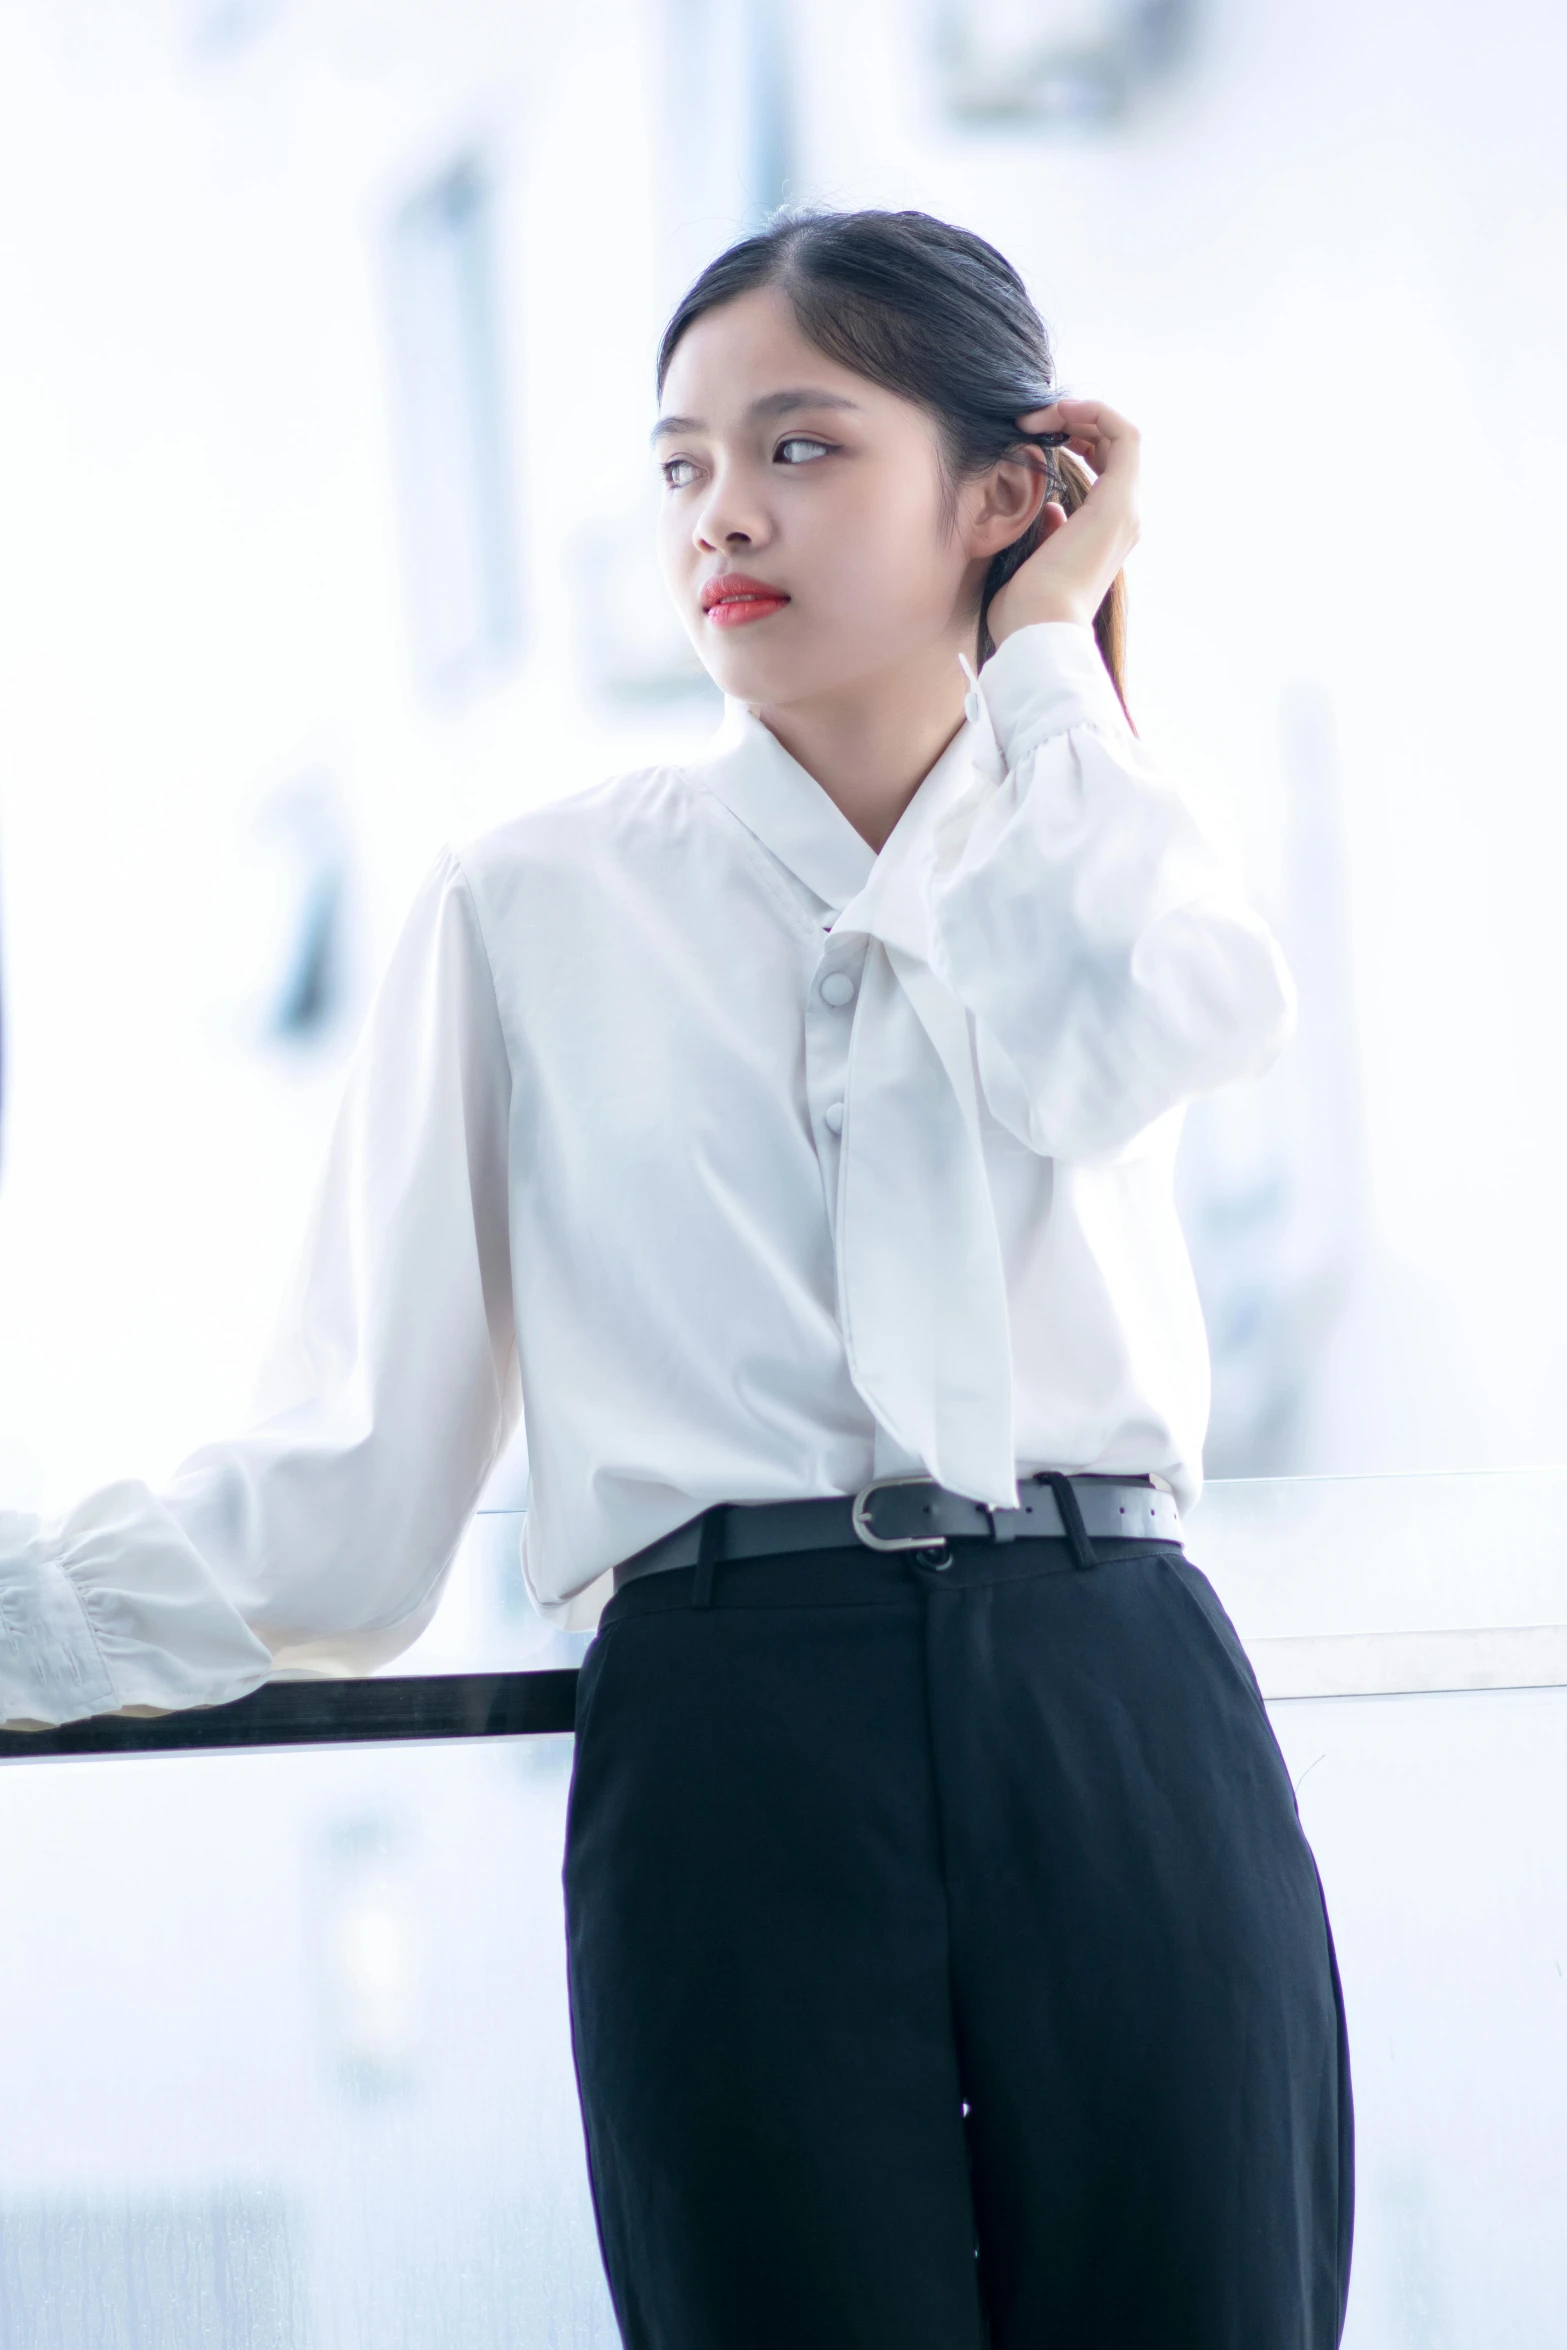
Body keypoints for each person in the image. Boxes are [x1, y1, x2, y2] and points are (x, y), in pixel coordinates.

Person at [0, 208, 1352, 2348]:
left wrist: (1050, 666)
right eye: (683, 464)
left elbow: (1136, 1027)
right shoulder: (529, 906)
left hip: (1122, 1700)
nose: (724, 510)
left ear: (1005, 496)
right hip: (735, 1733)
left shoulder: (1097, 844)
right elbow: (348, 1495)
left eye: (802, 448)